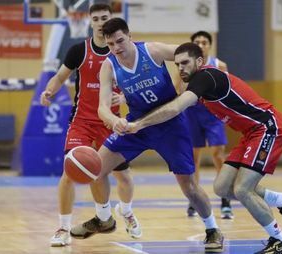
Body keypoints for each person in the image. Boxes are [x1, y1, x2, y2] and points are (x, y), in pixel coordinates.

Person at [125, 43, 282, 254]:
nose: (180, 68)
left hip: (267, 128)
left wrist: (138, 124)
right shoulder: (198, 85)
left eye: (185, 63)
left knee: (242, 189)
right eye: (177, 64)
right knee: (222, 188)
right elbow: (172, 99)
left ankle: (281, 241)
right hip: (250, 134)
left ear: (199, 62)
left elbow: (175, 107)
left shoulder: (205, 77)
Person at [69, 18, 224, 253]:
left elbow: (189, 56)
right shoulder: (109, 65)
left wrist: (198, 80)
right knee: (96, 168)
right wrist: (114, 121)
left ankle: (212, 229)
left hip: (171, 124)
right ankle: (104, 219)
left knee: (189, 186)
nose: (116, 48)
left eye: (120, 41)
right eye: (110, 44)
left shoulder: (153, 50)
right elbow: (102, 107)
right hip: (136, 124)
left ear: (130, 36)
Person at [40, 4, 141, 247]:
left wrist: (125, 98)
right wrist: (49, 90)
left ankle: (125, 211)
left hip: (112, 122)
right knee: (69, 173)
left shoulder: (122, 50)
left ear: (111, 19)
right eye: (95, 19)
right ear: (89, 21)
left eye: (104, 18)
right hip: (82, 121)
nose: (99, 22)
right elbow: (60, 76)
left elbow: (139, 82)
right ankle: (64, 227)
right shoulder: (79, 50)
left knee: (124, 177)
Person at [180, 31, 232, 219]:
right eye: (197, 42)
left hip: (214, 114)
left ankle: (225, 197)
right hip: (192, 114)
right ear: (192, 45)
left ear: (210, 45)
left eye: (204, 42)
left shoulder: (219, 65)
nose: (201, 45)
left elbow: (228, 90)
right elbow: (179, 90)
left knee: (218, 154)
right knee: (193, 159)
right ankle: (194, 198)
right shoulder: (185, 65)